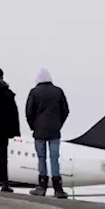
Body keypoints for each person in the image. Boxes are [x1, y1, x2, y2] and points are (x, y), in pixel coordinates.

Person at [25, 66, 70, 198]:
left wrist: (33, 126)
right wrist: (58, 124)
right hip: (54, 131)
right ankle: (58, 188)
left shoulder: (34, 92)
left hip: (39, 131)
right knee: (54, 159)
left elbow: (29, 112)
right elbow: (65, 110)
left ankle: (42, 186)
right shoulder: (58, 91)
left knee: (41, 158)